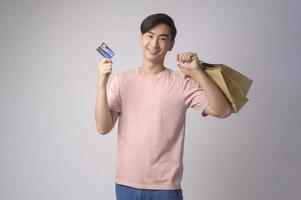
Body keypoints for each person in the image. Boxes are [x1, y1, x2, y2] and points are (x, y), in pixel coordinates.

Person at [95, 13, 231, 200]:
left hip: (165, 188)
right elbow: (103, 127)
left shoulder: (182, 82)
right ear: (140, 38)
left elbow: (223, 111)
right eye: (150, 36)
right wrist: (102, 82)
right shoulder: (121, 81)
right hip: (126, 185)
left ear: (171, 44)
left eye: (163, 38)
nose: (154, 43)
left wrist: (197, 71)